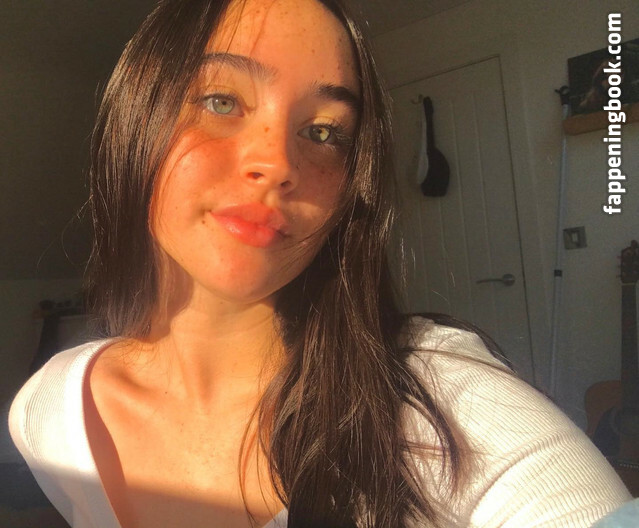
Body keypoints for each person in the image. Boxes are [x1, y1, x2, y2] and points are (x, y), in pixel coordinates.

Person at [9, 0, 632, 527]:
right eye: (222, 100)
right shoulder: (51, 413)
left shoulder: (439, 401)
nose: (278, 163)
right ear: (134, 120)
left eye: (324, 132)